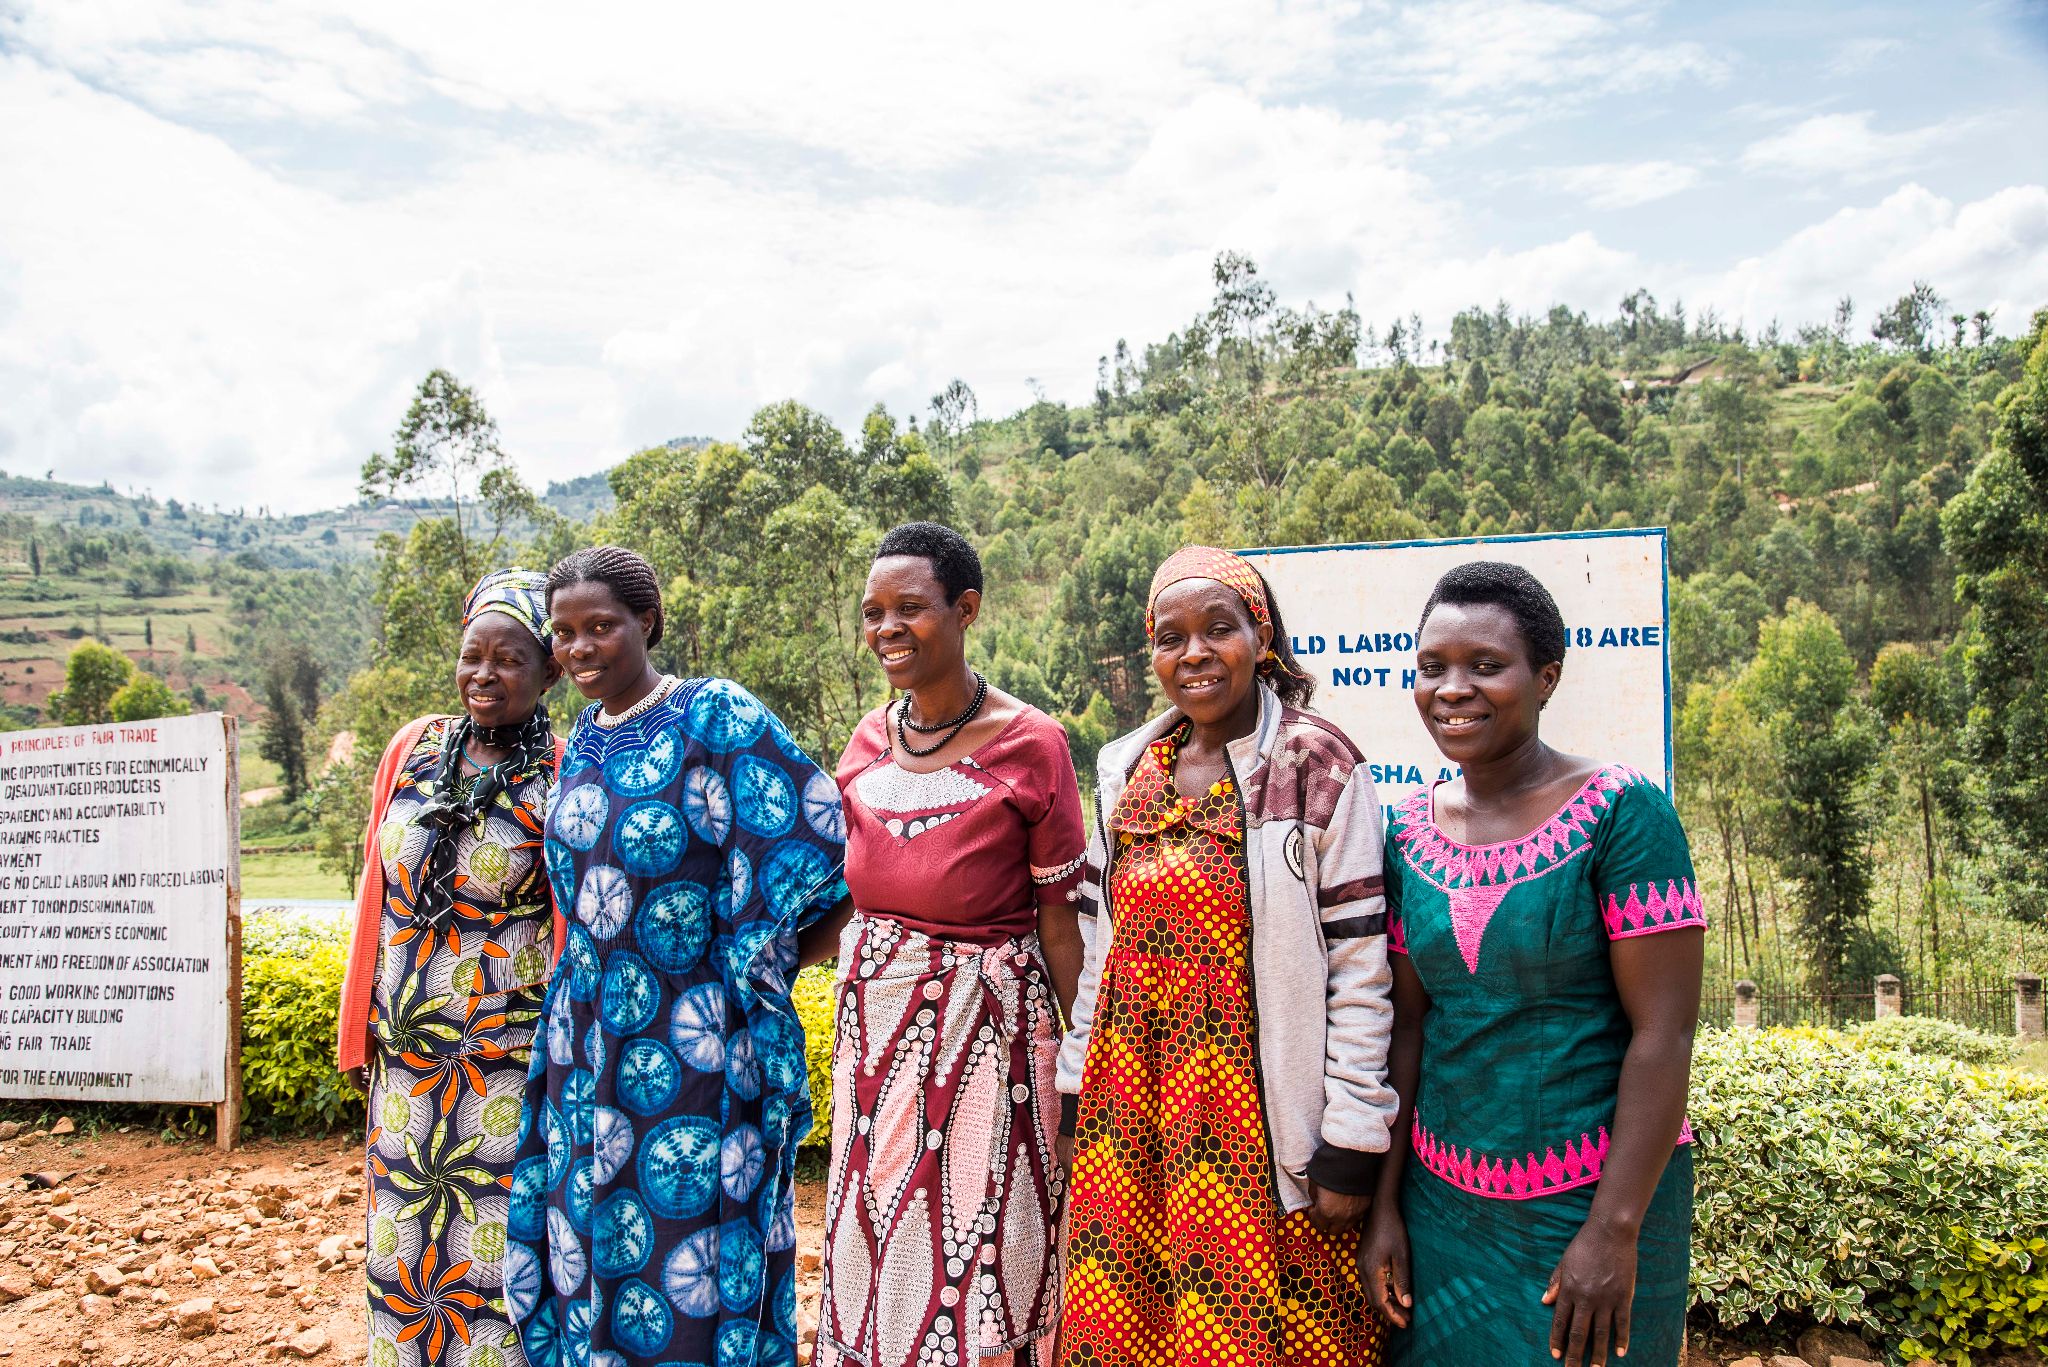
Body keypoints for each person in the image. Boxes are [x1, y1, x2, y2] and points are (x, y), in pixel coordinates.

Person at [504, 545, 850, 1367]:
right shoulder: (583, 735)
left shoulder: (712, 714)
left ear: (646, 622)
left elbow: (820, 845)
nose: (579, 648)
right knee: (597, 1238)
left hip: (692, 1043)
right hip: (587, 1042)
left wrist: (747, 979)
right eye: (563, 633)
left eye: (600, 627)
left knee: (689, 1247)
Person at [1057, 545, 1396, 1367]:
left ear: (1263, 635)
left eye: (1219, 628)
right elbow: (1102, 945)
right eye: (1171, 638)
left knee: (1271, 1330)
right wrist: (1075, 1084)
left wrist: (1351, 1130)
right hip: (1132, 1108)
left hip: (1259, 1116)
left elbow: (1359, 965)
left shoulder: (1315, 764)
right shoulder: (1130, 768)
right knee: (1132, 1322)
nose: (1195, 652)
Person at [1359, 561, 1704, 1367]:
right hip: (1441, 1209)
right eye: (1432, 667)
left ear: (1546, 677)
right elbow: (1408, 1029)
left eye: (1486, 666)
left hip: (1590, 1205)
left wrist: (1612, 1232)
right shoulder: (1407, 832)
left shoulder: (1623, 812)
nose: (1453, 689)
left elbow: (1666, 1034)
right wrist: (1387, 1209)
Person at [815, 522, 1086, 1367]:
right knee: (874, 1233)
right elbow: (829, 887)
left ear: (965, 609)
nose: (886, 628)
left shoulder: (1031, 744)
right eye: (871, 613)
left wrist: (1073, 1062)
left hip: (990, 1044)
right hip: (875, 1036)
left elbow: (1060, 921)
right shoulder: (864, 741)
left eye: (909, 608)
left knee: (981, 1243)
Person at [336, 568, 566, 1367]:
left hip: (505, 1059)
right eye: (474, 654)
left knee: (492, 1254)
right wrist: (362, 1021)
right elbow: (377, 886)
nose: (484, 674)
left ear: (551, 671)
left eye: (509, 659)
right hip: (407, 1056)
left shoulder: (563, 773)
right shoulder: (413, 747)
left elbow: (570, 917)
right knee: (401, 1245)